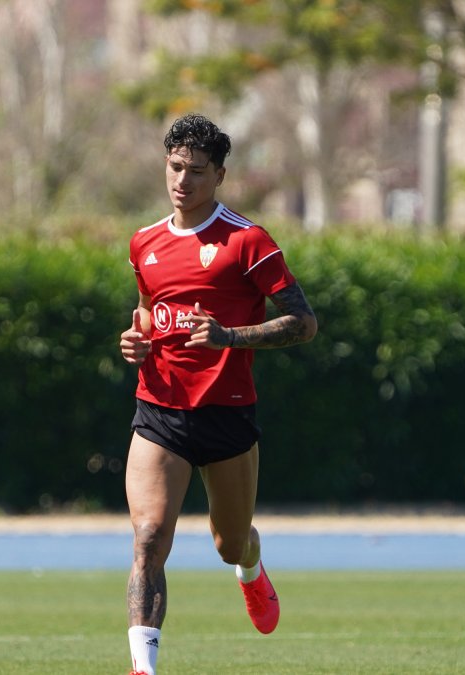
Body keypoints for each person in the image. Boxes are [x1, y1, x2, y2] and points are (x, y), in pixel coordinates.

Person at [118, 113, 317, 675]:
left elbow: (303, 323)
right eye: (176, 167)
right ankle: (144, 667)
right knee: (150, 537)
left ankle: (249, 567)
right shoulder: (145, 243)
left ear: (220, 175)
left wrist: (231, 336)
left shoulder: (247, 241)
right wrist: (136, 342)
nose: (183, 181)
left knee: (229, 542)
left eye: (197, 172)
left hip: (226, 416)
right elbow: (148, 316)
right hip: (158, 412)